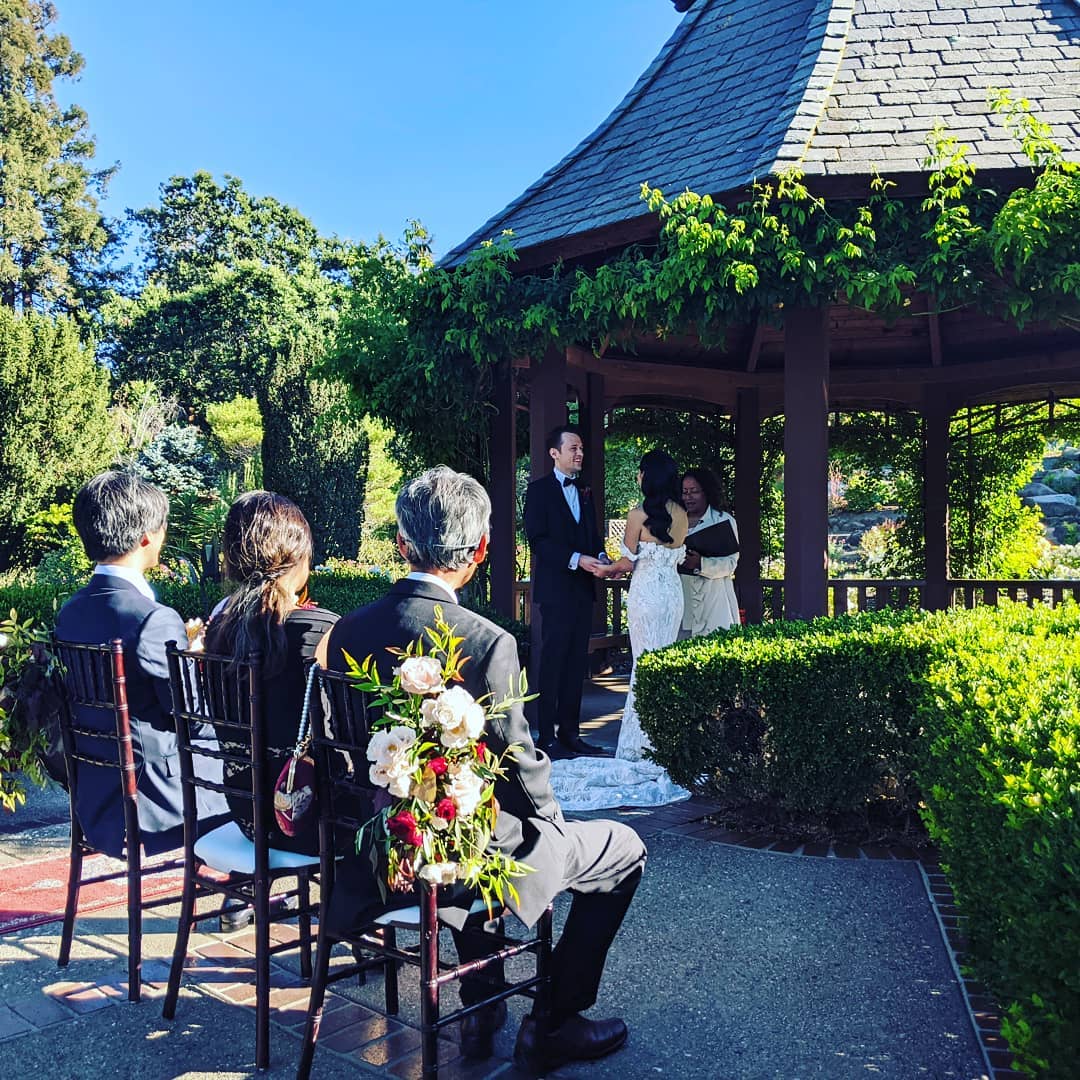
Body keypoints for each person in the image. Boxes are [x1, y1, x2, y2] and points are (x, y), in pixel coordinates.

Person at [322, 466, 646, 1074]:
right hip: (470, 851)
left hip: (384, 848)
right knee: (621, 848)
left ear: (401, 544)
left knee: (469, 814)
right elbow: (520, 768)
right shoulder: (489, 641)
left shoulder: (349, 630)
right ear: (480, 551)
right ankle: (552, 1021)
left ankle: (482, 1006)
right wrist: (554, 822)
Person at [54, 470, 230, 858]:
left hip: (97, 802)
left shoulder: (70, 613)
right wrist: (194, 662)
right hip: (158, 806)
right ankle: (243, 892)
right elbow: (193, 716)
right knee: (250, 761)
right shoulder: (153, 619)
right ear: (147, 537)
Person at [549, 450, 693, 811]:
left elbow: (627, 562)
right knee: (662, 663)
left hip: (645, 596)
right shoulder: (681, 514)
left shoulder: (637, 515)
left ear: (648, 477)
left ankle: (638, 745)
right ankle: (663, 739)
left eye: (641, 472)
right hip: (672, 595)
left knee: (644, 663)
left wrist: (601, 569)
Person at [204, 491, 337, 857]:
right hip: (312, 818)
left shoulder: (217, 630)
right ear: (299, 556)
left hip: (246, 814)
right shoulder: (321, 631)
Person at [523, 425, 608, 758]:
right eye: (573, 448)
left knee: (577, 663)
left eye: (582, 448)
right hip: (556, 590)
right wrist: (576, 559)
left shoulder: (585, 490)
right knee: (553, 661)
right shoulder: (539, 491)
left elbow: (592, 536)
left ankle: (572, 732)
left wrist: (600, 557)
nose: (579, 454)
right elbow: (538, 540)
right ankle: (546, 736)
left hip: (584, 590)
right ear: (554, 453)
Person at [679, 467, 741, 637]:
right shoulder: (674, 522)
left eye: (694, 492)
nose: (688, 497)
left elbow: (731, 563)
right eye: (684, 492)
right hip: (683, 596)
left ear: (706, 492)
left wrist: (701, 564)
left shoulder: (723, 520)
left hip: (714, 595)